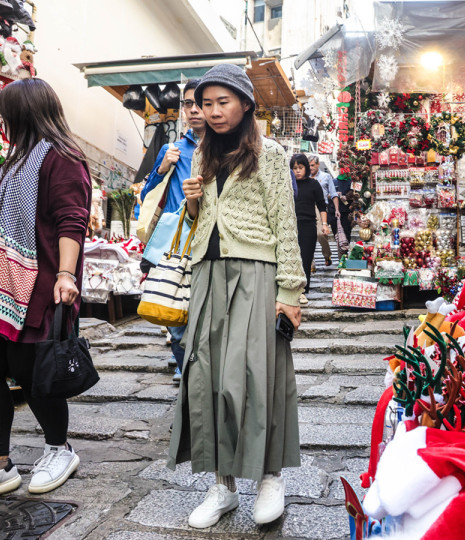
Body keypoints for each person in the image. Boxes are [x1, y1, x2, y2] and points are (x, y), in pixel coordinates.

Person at [0, 78, 91, 509]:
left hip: (38, 289)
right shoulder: (14, 163)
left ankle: (59, 449)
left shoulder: (62, 158)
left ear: (21, 115)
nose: (4, 121)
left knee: (34, 375)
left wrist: (65, 275)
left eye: (7, 114)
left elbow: (71, 220)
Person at [168, 64, 305, 529]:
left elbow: (286, 225)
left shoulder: (270, 153)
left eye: (222, 102)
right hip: (207, 274)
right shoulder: (202, 154)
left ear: (246, 103)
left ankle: (270, 478)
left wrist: (290, 292)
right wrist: (192, 203)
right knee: (206, 377)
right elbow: (198, 226)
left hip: (256, 274)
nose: (212, 111)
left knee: (253, 376)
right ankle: (221, 486)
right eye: (205, 104)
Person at [140, 78, 206, 385]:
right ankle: (187, 370)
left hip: (212, 244)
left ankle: (198, 371)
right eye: (187, 104)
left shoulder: (224, 147)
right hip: (178, 246)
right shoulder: (173, 148)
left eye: (199, 103)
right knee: (176, 319)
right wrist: (162, 168)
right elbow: (147, 195)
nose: (193, 110)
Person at [290, 154, 328, 306]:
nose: (298, 171)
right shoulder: (287, 184)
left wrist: (324, 224)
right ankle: (291, 289)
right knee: (292, 258)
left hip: (308, 225)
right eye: (294, 168)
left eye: (300, 168)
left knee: (305, 258)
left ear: (306, 168)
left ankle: (302, 291)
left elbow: (321, 205)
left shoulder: (314, 184)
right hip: (290, 225)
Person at [309, 154, 338, 266]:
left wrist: (337, 209)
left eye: (312, 165)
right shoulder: (304, 177)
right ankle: (310, 263)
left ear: (317, 165)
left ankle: (327, 254)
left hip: (321, 208)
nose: (310, 168)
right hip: (307, 207)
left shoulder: (326, 176)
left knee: (320, 234)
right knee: (308, 235)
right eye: (309, 165)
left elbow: (333, 193)